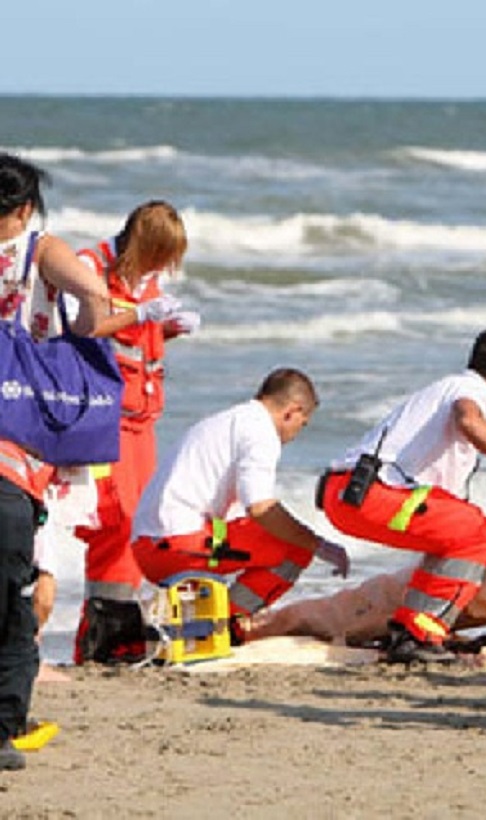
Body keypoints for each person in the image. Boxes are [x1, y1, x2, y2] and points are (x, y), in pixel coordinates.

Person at [318, 328, 486, 664]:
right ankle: (421, 632)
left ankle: (410, 632)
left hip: (345, 491)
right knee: (479, 535)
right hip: (369, 492)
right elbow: (468, 419)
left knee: (456, 534)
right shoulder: (470, 391)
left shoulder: (440, 391)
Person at [0, 153, 110, 771]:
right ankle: (10, 707)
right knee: (36, 577)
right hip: (27, 423)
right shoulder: (41, 250)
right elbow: (92, 299)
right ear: (24, 209)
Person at [71, 201, 201, 664]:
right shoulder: (89, 267)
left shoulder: (148, 282)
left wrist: (168, 328)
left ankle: (119, 633)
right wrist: (141, 314)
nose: (164, 267)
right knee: (112, 520)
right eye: (161, 255)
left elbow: (139, 341)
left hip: (142, 422)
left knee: (138, 524)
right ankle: (99, 635)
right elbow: (80, 328)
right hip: (103, 419)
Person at [131, 369, 349, 633]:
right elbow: (260, 507)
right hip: (175, 547)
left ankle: (215, 619)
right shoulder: (261, 432)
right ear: (292, 411)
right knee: (294, 546)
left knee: (268, 533)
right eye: (301, 424)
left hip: (150, 544)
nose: (296, 434)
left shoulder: (226, 421)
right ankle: (225, 625)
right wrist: (320, 545)